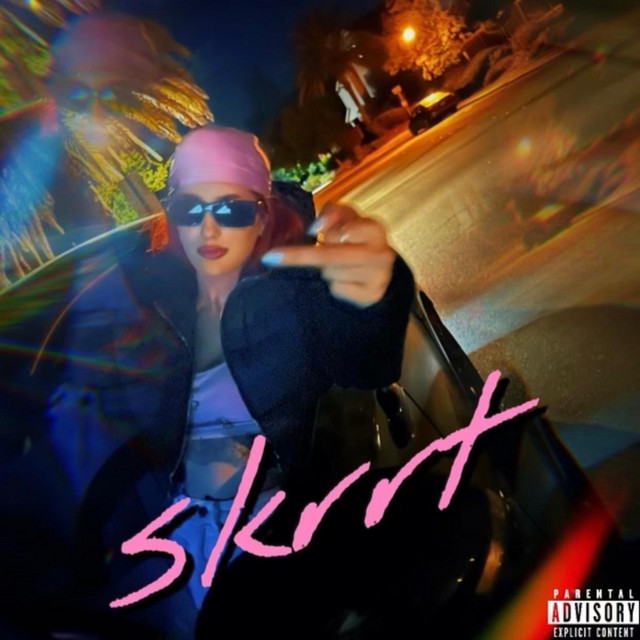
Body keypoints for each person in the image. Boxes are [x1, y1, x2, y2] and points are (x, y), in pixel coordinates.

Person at [0, 125, 415, 638]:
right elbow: (92, 425)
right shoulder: (145, 302)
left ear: (262, 213)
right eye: (190, 209)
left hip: (280, 529)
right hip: (175, 539)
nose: (209, 228)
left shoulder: (295, 289)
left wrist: (380, 293)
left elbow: (367, 363)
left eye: (232, 210)